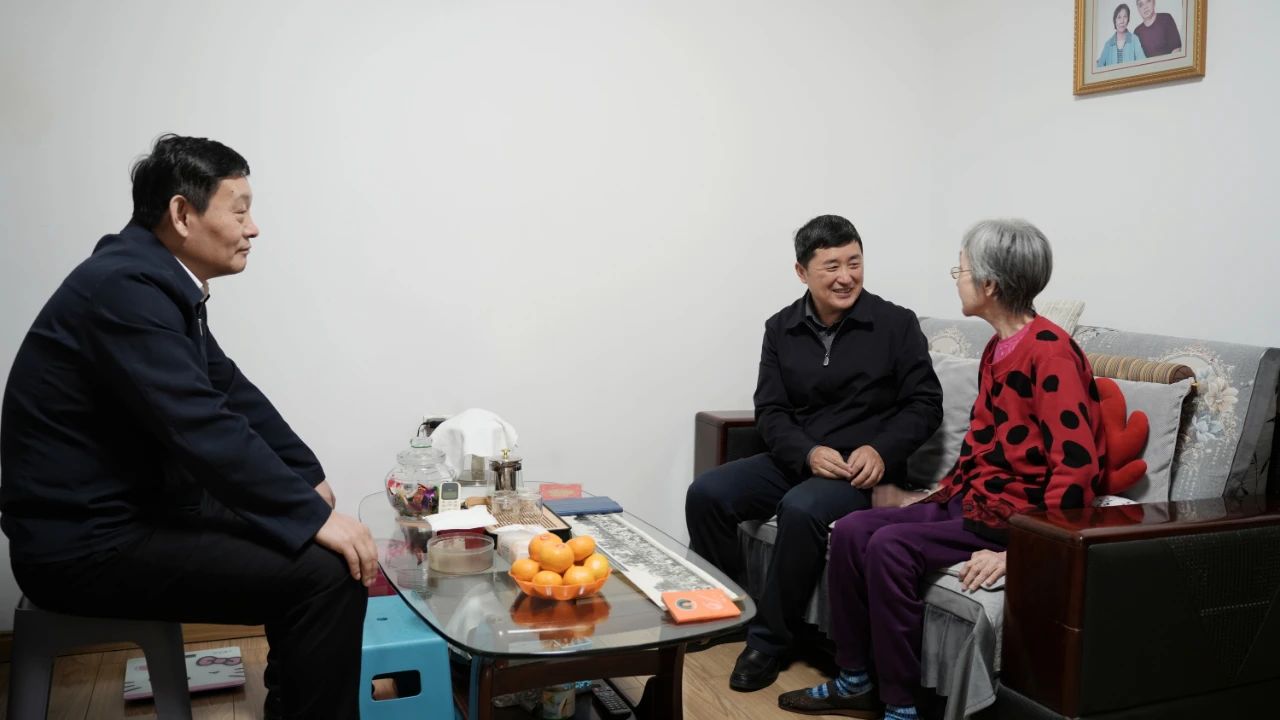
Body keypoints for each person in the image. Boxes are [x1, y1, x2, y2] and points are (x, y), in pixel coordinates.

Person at [0, 135, 376, 719]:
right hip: (83, 545)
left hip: (132, 512)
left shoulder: (149, 280)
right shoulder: (125, 291)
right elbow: (201, 428)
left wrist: (307, 478)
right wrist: (308, 515)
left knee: (306, 543)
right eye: (240, 210)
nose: (253, 229)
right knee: (326, 574)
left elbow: (228, 389)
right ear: (182, 214)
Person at [777, 219, 1107, 720]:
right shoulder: (998, 347)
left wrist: (1025, 552)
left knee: (890, 546)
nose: (957, 278)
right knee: (850, 530)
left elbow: (1077, 466)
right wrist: (928, 498)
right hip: (973, 503)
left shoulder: (1050, 352)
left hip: (1016, 518)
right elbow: (980, 445)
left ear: (989, 284)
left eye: (962, 270)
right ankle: (854, 680)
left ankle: (901, 706)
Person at [685, 215, 943, 692]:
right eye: (832, 266)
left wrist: (881, 450)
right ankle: (724, 612)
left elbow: (925, 404)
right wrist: (806, 453)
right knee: (707, 493)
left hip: (863, 473)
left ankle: (769, 641)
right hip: (801, 459)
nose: (846, 277)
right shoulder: (781, 328)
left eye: (854, 263)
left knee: (801, 509)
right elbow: (771, 410)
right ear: (802, 272)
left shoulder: (895, 323)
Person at [1096, 3, 1147, 68]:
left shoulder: (1134, 39)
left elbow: (1143, 63)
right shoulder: (1108, 44)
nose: (1122, 21)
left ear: (1128, 19)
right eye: (1119, 17)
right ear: (1115, 20)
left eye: (1125, 17)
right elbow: (1099, 66)